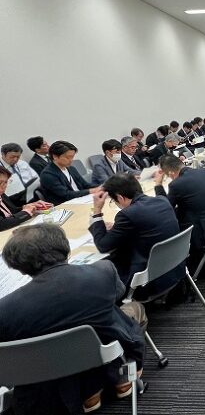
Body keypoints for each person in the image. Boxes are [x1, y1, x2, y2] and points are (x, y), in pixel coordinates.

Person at [0, 224, 146, 415]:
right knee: (129, 310)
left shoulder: (7, 309)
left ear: (19, 267)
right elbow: (118, 294)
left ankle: (90, 391)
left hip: (47, 375)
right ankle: (117, 378)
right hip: (102, 351)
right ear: (64, 247)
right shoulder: (103, 271)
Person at [89, 173, 184, 297]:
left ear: (120, 197)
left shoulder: (126, 214)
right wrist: (118, 227)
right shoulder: (162, 200)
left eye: (114, 201)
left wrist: (97, 211)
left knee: (103, 268)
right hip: (174, 270)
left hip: (147, 282)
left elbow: (103, 245)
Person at [155, 155, 205, 261]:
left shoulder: (176, 185)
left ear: (171, 173)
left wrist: (158, 185)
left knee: (169, 219)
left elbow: (165, 209)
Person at [40, 141, 100, 205]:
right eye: (68, 157)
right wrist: (90, 191)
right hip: (65, 205)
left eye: (72, 157)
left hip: (81, 199)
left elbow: (85, 185)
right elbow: (66, 194)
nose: (71, 160)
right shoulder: (47, 174)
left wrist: (101, 187)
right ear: (55, 156)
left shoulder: (71, 168)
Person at [0, 166, 49, 231]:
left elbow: (12, 212)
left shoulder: (2, 195)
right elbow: (2, 224)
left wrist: (30, 207)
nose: (3, 186)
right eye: (0, 183)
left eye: (6, 182)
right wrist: (26, 212)